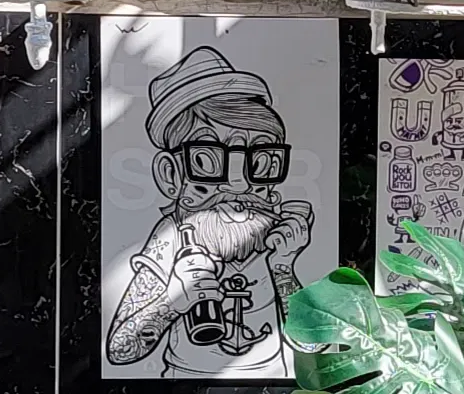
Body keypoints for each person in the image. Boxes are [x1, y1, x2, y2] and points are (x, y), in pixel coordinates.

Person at [105, 55, 313, 375]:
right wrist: (176, 300)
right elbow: (120, 350)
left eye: (260, 160)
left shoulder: (276, 238)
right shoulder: (172, 236)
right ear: (171, 176)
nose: (238, 182)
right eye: (207, 159)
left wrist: (284, 267)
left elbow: (313, 347)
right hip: (181, 387)